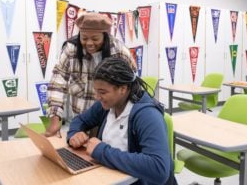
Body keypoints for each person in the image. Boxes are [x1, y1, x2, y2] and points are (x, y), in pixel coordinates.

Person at [67, 57, 177, 185]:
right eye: (96, 91)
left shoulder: (147, 115)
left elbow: (159, 169)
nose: (97, 97)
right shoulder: (107, 105)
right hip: (113, 176)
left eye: (102, 92)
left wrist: (102, 152)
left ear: (123, 89)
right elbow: (80, 120)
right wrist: (74, 134)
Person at [45, 12, 136, 137]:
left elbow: (132, 86)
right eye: (84, 38)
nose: (89, 43)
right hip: (80, 120)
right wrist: (55, 119)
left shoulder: (119, 52)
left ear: (105, 36)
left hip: (110, 122)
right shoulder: (71, 49)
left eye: (95, 39)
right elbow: (57, 83)